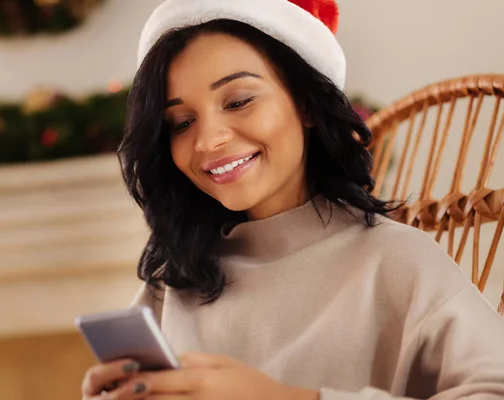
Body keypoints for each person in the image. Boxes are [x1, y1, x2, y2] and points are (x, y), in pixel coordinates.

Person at [81, 0, 504, 399]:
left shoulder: (395, 260)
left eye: (239, 101)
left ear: (305, 103)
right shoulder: (173, 286)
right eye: (182, 122)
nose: (208, 140)